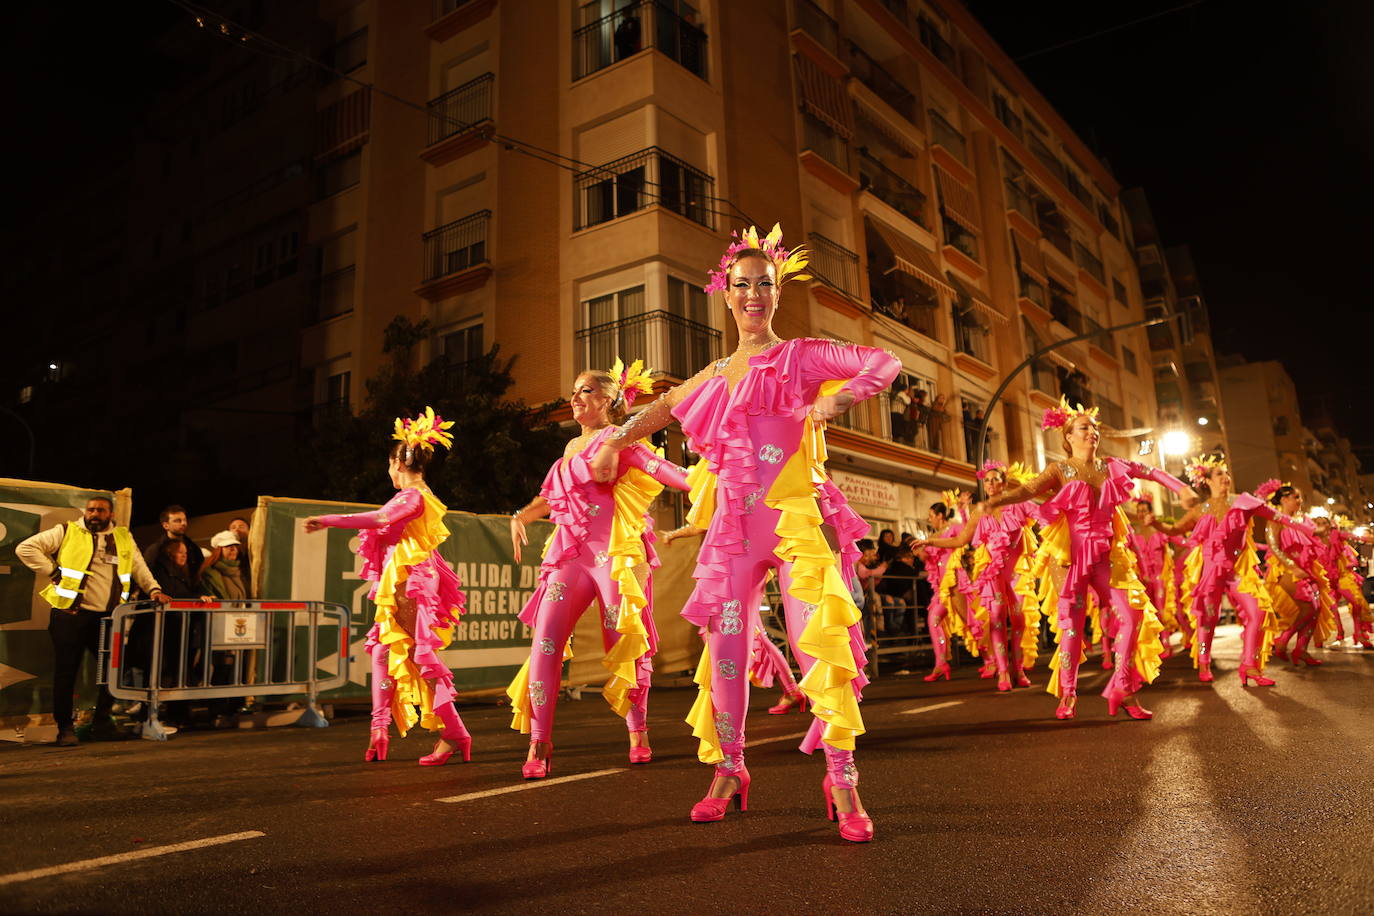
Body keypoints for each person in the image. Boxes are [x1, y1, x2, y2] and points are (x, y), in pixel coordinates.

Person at [589, 223, 901, 842]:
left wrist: (841, 400)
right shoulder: (714, 373)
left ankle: (843, 780)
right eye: (742, 285)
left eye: (765, 284)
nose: (753, 295)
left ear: (777, 292)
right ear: (725, 295)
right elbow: (663, 406)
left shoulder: (802, 356)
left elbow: (883, 361)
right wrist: (615, 437)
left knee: (818, 649)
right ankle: (728, 771)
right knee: (726, 655)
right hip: (734, 533)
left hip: (793, 530)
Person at [507, 359, 690, 777]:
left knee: (623, 639)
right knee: (545, 641)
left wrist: (715, 478)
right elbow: (552, 497)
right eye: (574, 391)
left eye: (585, 390)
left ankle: (637, 730)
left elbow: (665, 471)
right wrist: (521, 516)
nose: (575, 398)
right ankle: (539, 741)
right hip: (570, 555)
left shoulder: (622, 439)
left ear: (609, 400)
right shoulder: (571, 448)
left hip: (613, 554)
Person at [987, 400, 1195, 718]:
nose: (1092, 432)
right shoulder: (1060, 469)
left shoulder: (1110, 465)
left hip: (1106, 556)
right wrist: (997, 500)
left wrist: (1180, 488)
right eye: (1085, 427)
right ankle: (1068, 695)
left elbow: (1149, 470)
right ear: (1068, 436)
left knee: (1133, 616)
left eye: (1095, 427)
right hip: (1069, 559)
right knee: (1072, 627)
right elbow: (1029, 489)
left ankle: (1124, 688)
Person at [303, 407, 471, 766]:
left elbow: (380, 519)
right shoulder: (411, 494)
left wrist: (328, 520)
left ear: (398, 463)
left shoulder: (413, 495)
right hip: (403, 578)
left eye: (388, 464)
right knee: (381, 649)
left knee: (419, 656)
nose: (388, 471)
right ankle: (379, 730)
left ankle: (455, 733)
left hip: (410, 581)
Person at [16, 496, 169, 746]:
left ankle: (102, 723)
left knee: (113, 672)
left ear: (110, 514)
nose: (94, 514)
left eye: (100, 510)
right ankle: (65, 729)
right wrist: (52, 571)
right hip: (70, 615)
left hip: (108, 618)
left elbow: (139, 566)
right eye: (91, 509)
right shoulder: (67, 531)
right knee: (67, 673)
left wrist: (153, 589)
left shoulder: (122, 536)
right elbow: (25, 548)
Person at [1151, 458, 1294, 686]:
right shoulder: (1199, 509)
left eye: (1226, 473)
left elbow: (1268, 513)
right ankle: (1204, 662)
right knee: (1207, 619)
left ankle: (1249, 665)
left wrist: (1300, 525)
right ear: (1206, 481)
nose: (1225, 477)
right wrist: (1155, 524)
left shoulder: (1240, 501)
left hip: (1238, 571)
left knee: (1258, 612)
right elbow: (1176, 529)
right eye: (1219, 474)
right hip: (1210, 573)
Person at [924, 461, 1041, 693]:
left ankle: (1019, 669)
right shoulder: (980, 511)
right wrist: (930, 541)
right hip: (993, 575)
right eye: (986, 480)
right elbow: (960, 541)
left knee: (1019, 620)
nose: (990, 484)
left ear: (1004, 483)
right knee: (996, 617)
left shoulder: (1019, 504)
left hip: (1017, 573)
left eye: (995, 479)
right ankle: (1003, 671)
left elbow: (1045, 516)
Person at [1259, 482, 1334, 668]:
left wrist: (1326, 531)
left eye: (1300, 497)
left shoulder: (1304, 521)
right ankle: (1283, 640)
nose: (1300, 501)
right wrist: (1292, 566)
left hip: (1307, 569)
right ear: (1284, 499)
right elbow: (1274, 547)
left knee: (1315, 610)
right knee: (1308, 607)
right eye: (1296, 497)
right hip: (1285, 569)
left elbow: (1315, 538)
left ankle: (1301, 649)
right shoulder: (1275, 520)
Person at [142, 505, 204, 585]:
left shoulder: (193, 547)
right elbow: (147, 576)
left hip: (191, 596)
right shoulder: (156, 550)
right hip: (167, 595)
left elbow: (198, 573)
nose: (183, 523)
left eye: (185, 520)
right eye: (177, 521)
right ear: (165, 525)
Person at [875, 546, 917, 637]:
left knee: (897, 605)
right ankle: (895, 631)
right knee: (897, 605)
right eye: (908, 557)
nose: (911, 559)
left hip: (888, 595)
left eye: (911, 557)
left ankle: (894, 632)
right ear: (902, 558)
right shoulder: (907, 569)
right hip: (890, 595)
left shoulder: (892, 567)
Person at [227, 516, 252, 596]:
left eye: (241, 527)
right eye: (233, 527)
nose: (237, 529)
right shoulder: (227, 554)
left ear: (250, 531)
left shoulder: (255, 552)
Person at [889, 380, 911, 445]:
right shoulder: (901, 393)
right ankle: (897, 442)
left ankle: (896, 440)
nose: (908, 391)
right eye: (907, 389)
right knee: (898, 430)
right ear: (905, 389)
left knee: (896, 428)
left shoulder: (896, 394)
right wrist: (909, 397)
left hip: (894, 413)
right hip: (898, 413)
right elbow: (908, 401)